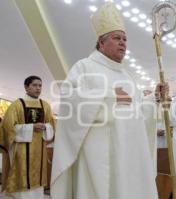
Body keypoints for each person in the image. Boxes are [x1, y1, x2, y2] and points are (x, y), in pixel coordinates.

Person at [50, 2, 166, 199]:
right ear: (101, 42)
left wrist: (154, 99)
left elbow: (137, 111)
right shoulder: (84, 67)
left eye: (125, 39)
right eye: (117, 38)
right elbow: (69, 102)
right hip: (99, 156)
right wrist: (108, 96)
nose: (123, 43)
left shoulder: (128, 76)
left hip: (130, 154)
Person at [1, 75, 55, 199]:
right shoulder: (17, 105)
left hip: (39, 151)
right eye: (34, 85)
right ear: (26, 87)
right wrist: (31, 128)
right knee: (22, 175)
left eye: (40, 85)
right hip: (21, 150)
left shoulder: (45, 105)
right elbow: (7, 128)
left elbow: (52, 125)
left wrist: (46, 127)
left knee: (38, 179)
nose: (38, 88)